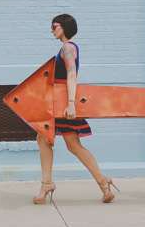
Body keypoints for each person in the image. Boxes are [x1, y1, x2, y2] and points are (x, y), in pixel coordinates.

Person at [33, 14, 118, 205]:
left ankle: (47, 184)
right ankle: (103, 183)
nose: (51, 30)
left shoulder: (67, 48)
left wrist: (71, 103)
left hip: (62, 102)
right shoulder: (68, 47)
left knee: (48, 140)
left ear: (64, 27)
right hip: (59, 101)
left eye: (55, 26)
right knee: (68, 144)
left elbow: (72, 74)